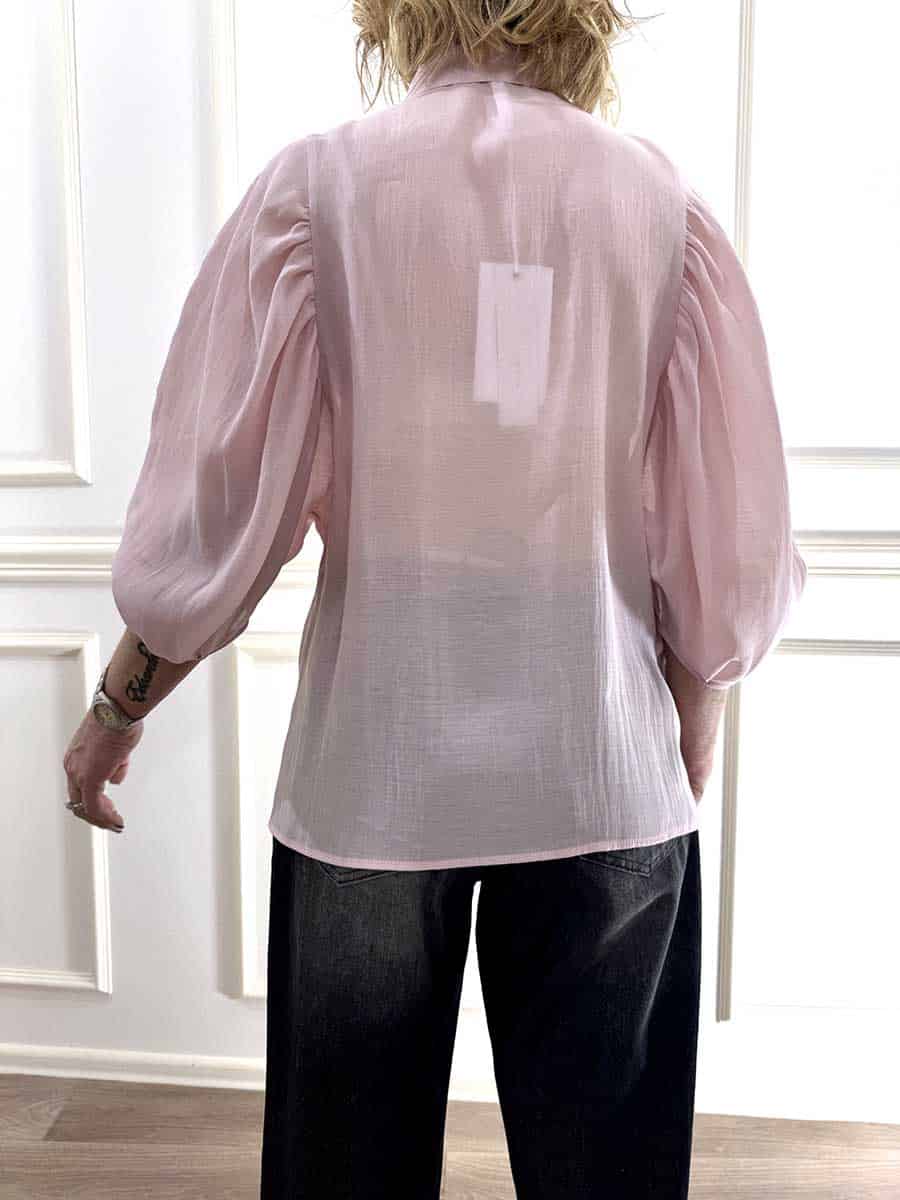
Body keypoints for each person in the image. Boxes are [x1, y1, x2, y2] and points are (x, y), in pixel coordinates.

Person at [62, 2, 807, 1196]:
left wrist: (117, 706)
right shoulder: (660, 204)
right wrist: (689, 727)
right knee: (609, 1175)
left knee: (345, 1170)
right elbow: (720, 537)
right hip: (603, 766)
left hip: (373, 778)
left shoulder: (320, 193)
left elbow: (223, 503)